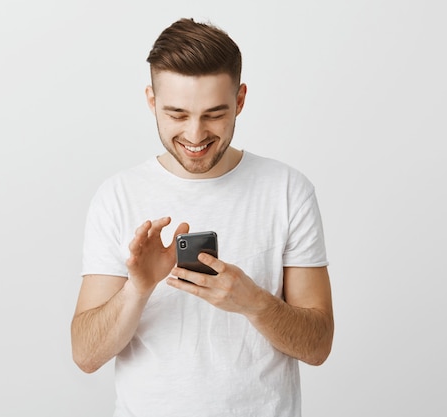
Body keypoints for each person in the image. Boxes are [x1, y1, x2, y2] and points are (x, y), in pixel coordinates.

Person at [71, 17, 334, 417]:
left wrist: (254, 303)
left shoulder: (287, 190)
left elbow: (317, 347)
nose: (195, 134)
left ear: (240, 100)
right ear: (151, 100)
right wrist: (137, 289)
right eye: (177, 114)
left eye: (214, 113)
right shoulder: (117, 196)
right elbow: (86, 356)